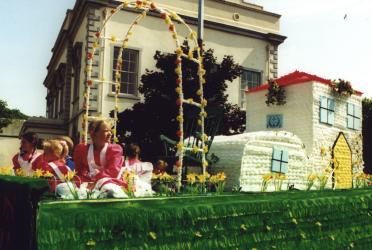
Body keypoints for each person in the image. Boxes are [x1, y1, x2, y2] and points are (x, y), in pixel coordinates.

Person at [73, 119, 126, 197]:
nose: (110, 134)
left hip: (109, 180)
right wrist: (81, 183)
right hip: (88, 181)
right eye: (106, 131)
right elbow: (79, 171)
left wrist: (95, 180)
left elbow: (113, 171)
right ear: (93, 133)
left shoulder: (115, 149)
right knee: (65, 187)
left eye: (110, 131)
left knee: (109, 189)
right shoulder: (81, 149)